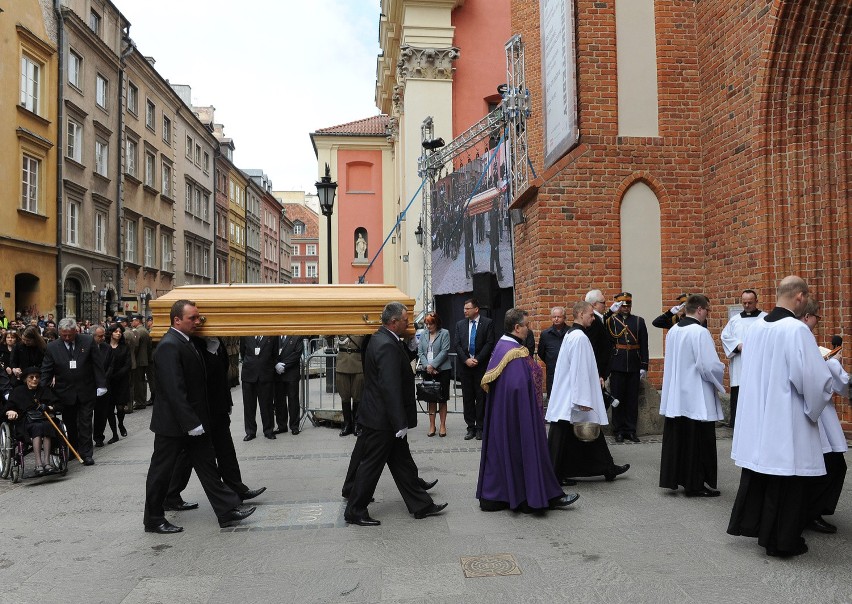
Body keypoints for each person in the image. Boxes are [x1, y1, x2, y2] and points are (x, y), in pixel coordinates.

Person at [727, 276, 834, 557]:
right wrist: (815, 408)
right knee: (788, 479)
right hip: (787, 418)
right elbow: (813, 380)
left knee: (768, 477)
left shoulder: (757, 327)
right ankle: (783, 541)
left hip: (761, 417)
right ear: (799, 297)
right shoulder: (795, 330)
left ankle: (764, 533)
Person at [143, 299, 255, 534]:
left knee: (207, 467)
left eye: (198, 317)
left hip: (193, 422)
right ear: (176, 320)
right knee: (161, 472)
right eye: (192, 318)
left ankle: (226, 511)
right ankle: (153, 518)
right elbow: (174, 390)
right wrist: (191, 423)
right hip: (173, 425)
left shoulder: (187, 342)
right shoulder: (169, 346)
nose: (198, 322)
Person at [344, 302, 447, 526]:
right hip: (383, 419)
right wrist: (399, 422)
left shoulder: (382, 339)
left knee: (402, 463)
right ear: (393, 322)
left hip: (382, 416)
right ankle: (355, 510)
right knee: (371, 466)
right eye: (404, 320)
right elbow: (389, 386)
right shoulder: (386, 345)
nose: (408, 323)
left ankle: (421, 505)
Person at [476, 308, 579, 513]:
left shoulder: (504, 346)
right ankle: (534, 497)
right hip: (518, 416)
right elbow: (517, 386)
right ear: (517, 327)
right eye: (527, 325)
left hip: (506, 415)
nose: (529, 329)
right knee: (525, 451)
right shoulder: (513, 353)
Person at [164, 336, 267, 510]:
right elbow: (201, 376)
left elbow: (222, 376)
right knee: (188, 455)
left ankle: (237, 488)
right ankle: (170, 495)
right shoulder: (194, 344)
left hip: (218, 406)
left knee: (226, 450)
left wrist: (227, 402)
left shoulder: (217, 341)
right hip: (203, 409)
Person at [546, 301, 629, 485]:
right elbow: (579, 370)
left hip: (570, 394)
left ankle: (607, 468)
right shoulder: (579, 337)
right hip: (573, 396)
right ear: (581, 314)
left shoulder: (572, 334)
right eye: (591, 315)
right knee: (563, 436)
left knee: (588, 433)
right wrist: (582, 399)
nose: (593, 318)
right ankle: (553, 475)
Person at [658, 294, 725, 497]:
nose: (707, 315)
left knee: (680, 440)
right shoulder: (699, 332)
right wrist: (719, 376)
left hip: (677, 395)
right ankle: (695, 484)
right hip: (696, 396)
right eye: (708, 311)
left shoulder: (674, 330)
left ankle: (677, 478)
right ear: (700, 310)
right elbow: (708, 365)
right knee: (696, 441)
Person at [799, 300, 848, 535]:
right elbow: (834, 382)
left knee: (826, 465)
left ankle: (809, 511)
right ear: (807, 316)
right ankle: (812, 512)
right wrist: (835, 365)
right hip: (815, 414)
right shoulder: (808, 344)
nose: (818, 322)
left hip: (807, 413)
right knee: (830, 465)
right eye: (817, 318)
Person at [40, 317, 106, 466]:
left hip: (86, 390)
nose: (68, 338)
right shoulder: (52, 347)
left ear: (75, 331)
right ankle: (73, 449)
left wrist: (101, 385)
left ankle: (86, 453)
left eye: (70, 334)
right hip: (64, 392)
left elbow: (97, 365)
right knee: (70, 423)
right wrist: (41, 391)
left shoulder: (88, 341)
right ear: (59, 333)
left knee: (85, 423)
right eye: (64, 335)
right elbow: (47, 371)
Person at [605, 292, 648, 443]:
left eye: (628, 304)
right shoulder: (611, 321)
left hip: (634, 365)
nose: (625, 307)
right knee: (617, 399)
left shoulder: (638, 321)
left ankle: (631, 430)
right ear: (618, 305)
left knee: (631, 400)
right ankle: (618, 430)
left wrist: (644, 365)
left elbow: (644, 344)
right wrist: (609, 311)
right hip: (617, 364)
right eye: (622, 305)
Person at [720, 289, 766, 428]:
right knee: (739, 394)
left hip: (759, 363)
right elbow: (725, 337)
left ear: (756, 302)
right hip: (740, 364)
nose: (746, 305)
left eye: (750, 302)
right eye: (744, 302)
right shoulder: (735, 320)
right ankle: (737, 424)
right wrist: (738, 346)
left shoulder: (765, 318)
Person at [453, 298, 495, 440]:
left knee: (481, 396)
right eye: (464, 308)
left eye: (468, 308)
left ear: (476, 309)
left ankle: (480, 427)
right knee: (468, 398)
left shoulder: (487, 323)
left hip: (480, 366)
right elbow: (457, 344)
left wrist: (477, 359)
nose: (465, 311)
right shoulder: (460, 325)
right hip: (465, 367)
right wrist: (466, 360)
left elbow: (489, 343)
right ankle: (470, 427)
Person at [5, 366, 58, 476]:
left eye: (37, 377)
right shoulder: (18, 391)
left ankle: (47, 463)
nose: (35, 379)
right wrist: (10, 412)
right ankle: (38, 464)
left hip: (43, 418)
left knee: (48, 426)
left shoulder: (44, 390)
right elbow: (8, 407)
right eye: (31, 377)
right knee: (37, 427)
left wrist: (48, 407)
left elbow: (56, 405)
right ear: (25, 379)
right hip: (25, 422)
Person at [417, 313, 451, 437]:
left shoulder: (444, 333)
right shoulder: (423, 335)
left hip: (442, 370)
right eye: (426, 324)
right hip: (428, 371)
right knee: (430, 398)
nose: (428, 326)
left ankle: (442, 425)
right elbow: (420, 352)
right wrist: (428, 367)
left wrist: (434, 366)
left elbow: (444, 351)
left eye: (431, 323)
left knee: (442, 398)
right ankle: (432, 425)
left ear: (436, 323)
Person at [239, 335, 277, 440]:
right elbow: (243, 352)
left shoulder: (272, 336)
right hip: (249, 374)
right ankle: (250, 431)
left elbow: (275, 354)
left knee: (267, 405)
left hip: (265, 374)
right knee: (249, 406)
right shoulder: (246, 336)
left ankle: (268, 430)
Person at [273, 334, 305, 435]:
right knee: (279, 400)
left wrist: (284, 365)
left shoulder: (297, 336)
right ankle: (282, 426)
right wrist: (276, 364)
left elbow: (297, 354)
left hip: (291, 373)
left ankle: (294, 426)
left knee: (293, 399)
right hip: (277, 374)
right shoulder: (275, 336)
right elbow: (270, 351)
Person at [104, 323, 130, 441]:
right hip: (108, 382)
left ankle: (121, 423)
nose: (118, 333)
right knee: (109, 408)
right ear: (110, 333)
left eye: (120, 332)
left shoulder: (125, 347)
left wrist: (117, 375)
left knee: (120, 408)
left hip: (121, 381)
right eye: (116, 331)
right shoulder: (105, 347)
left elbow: (127, 365)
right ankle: (114, 434)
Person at [335, 335, 364, 437]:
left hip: (358, 363)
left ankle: (357, 424)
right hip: (342, 363)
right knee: (345, 395)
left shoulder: (361, 323)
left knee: (358, 396)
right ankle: (347, 424)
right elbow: (327, 335)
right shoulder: (341, 322)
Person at [538, 306, 569, 397]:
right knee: (553, 397)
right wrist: (550, 361)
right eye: (554, 317)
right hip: (552, 371)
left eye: (559, 317)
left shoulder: (570, 332)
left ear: (564, 318)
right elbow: (541, 353)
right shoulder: (545, 334)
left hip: (568, 371)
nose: (556, 319)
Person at [584, 290, 614, 383]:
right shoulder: (594, 321)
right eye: (603, 302)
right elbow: (594, 347)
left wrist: (610, 312)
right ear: (594, 305)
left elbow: (603, 318)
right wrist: (599, 373)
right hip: (598, 371)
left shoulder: (598, 319)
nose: (605, 305)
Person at [132, 315, 152, 409]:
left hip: (139, 360)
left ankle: (140, 401)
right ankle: (142, 400)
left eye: (133, 321)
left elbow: (135, 346)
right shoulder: (144, 330)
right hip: (144, 359)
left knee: (138, 381)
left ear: (137, 321)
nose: (132, 323)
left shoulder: (138, 331)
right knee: (141, 381)